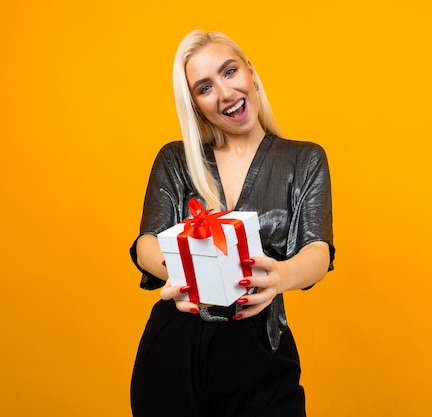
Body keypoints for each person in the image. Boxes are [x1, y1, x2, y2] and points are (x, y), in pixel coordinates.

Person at [129, 29, 335, 417]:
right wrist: (191, 273)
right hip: (175, 346)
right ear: (195, 105)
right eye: (205, 87)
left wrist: (280, 276)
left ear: (250, 71)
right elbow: (145, 245)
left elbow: (318, 251)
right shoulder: (176, 160)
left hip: (260, 346)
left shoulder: (304, 160)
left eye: (229, 71)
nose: (224, 93)